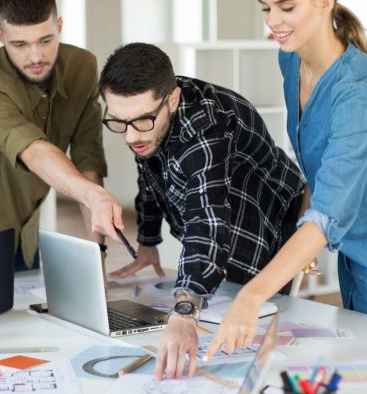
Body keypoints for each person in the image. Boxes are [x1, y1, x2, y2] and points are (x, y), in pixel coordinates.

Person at [205, 0, 367, 361]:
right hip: (350, 234)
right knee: (361, 349)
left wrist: (251, 296)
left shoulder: (358, 88)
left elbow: (329, 211)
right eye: (265, 8)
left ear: (324, 4)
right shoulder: (290, 59)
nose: (273, 22)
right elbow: (317, 161)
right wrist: (303, 229)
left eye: (287, 7)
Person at [98, 43, 306, 380]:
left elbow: (206, 221)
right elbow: (149, 170)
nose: (131, 136)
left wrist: (183, 313)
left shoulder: (208, 125)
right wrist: (148, 241)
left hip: (267, 233)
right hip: (220, 235)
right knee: (212, 334)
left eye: (142, 121)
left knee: (253, 355)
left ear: (174, 99)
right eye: (119, 122)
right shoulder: (147, 115)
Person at [0, 0, 122, 279]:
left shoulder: (83, 68)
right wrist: (95, 197)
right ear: (0, 36)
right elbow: (33, 150)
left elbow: (87, 154)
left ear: (59, 27)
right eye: (20, 45)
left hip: (24, 221)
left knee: (25, 316)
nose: (35, 56)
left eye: (45, 40)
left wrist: (96, 255)